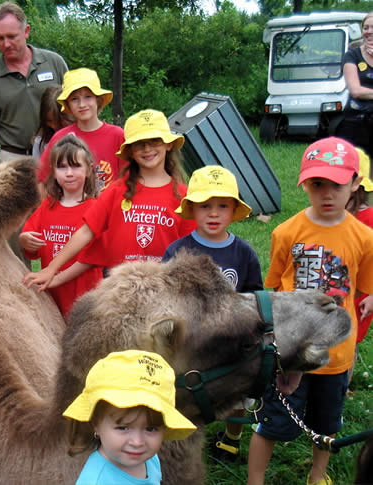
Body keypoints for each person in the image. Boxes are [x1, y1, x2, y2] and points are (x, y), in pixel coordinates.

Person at [246, 137, 373, 485]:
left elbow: (364, 284)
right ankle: (254, 479)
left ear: (355, 184)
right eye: (318, 184)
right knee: (273, 419)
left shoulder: (364, 237)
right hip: (291, 349)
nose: (327, 193)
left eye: (337, 184)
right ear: (305, 184)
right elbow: (276, 287)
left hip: (336, 353)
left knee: (327, 423)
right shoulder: (287, 232)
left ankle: (318, 474)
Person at [23, 109, 195, 291]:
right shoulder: (116, 190)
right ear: (130, 151)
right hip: (118, 291)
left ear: (168, 145)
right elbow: (85, 232)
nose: (147, 149)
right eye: (139, 144)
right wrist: (51, 270)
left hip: (162, 292)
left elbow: (190, 253)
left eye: (154, 141)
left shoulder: (183, 196)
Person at [163, 165, 262, 462]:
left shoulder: (243, 253)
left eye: (223, 205)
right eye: (205, 206)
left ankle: (231, 438)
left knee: (238, 393)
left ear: (234, 209)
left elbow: (255, 293)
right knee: (186, 391)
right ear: (192, 209)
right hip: (191, 340)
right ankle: (183, 436)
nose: (214, 213)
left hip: (231, 339)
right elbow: (165, 293)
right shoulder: (178, 250)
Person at [63, 350, 196, 485]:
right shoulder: (96, 481)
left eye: (150, 429)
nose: (137, 442)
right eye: (123, 428)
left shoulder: (150, 459)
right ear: (95, 423)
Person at [0, 1, 68, 161]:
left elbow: (76, 109)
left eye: (11, 36)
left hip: (59, 154)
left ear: (26, 31)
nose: (6, 44)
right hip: (14, 160)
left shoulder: (54, 62)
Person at [19, 135, 102, 318]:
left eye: (75, 166)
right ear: (53, 172)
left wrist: (55, 278)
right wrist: (24, 240)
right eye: (62, 167)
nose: (69, 173)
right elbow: (30, 243)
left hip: (83, 297)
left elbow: (90, 260)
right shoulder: (47, 205)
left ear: (89, 170)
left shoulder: (95, 208)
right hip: (50, 296)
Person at [38, 68, 125, 192]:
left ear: (98, 100)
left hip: (109, 208)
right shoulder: (61, 137)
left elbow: (130, 178)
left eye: (88, 97)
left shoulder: (117, 135)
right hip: (72, 208)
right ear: (67, 104)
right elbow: (41, 179)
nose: (82, 104)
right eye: (74, 99)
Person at [337, 12, 373, 156]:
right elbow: (355, 90)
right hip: (357, 122)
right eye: (366, 28)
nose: (369, 32)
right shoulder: (352, 55)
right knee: (359, 168)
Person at [348, 148, 373, 344]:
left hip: (360, 293)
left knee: (349, 337)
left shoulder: (370, 219)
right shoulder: (324, 219)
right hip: (332, 288)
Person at [31, 85, 73, 159]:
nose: (54, 126)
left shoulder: (79, 135)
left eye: (58, 121)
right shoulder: (40, 142)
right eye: (49, 121)